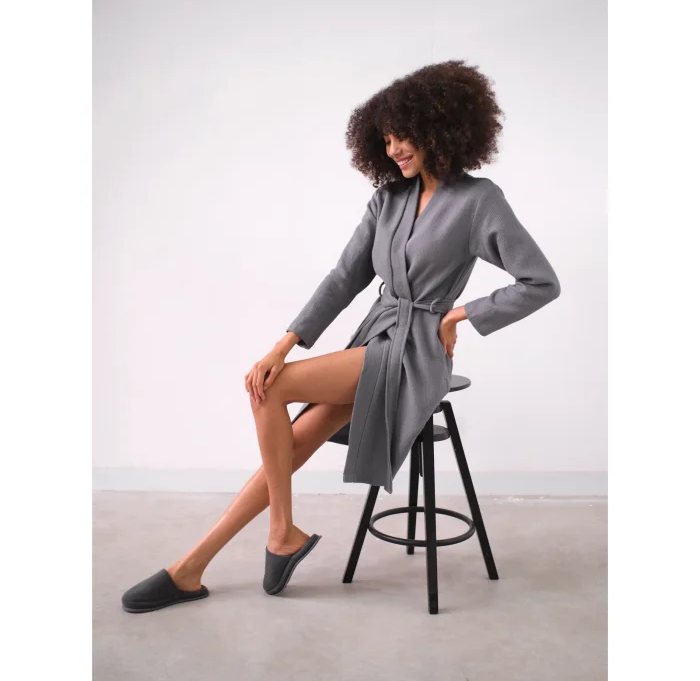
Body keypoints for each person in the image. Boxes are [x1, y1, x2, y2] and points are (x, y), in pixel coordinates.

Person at [121, 59, 561, 612]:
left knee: (272, 390)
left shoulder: (478, 201)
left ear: (438, 129)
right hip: (373, 342)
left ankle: (280, 534)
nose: (394, 148)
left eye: (403, 135)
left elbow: (541, 282)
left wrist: (460, 314)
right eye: (386, 139)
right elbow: (343, 278)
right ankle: (193, 567)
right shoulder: (388, 200)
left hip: (416, 354)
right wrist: (283, 344)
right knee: (285, 432)